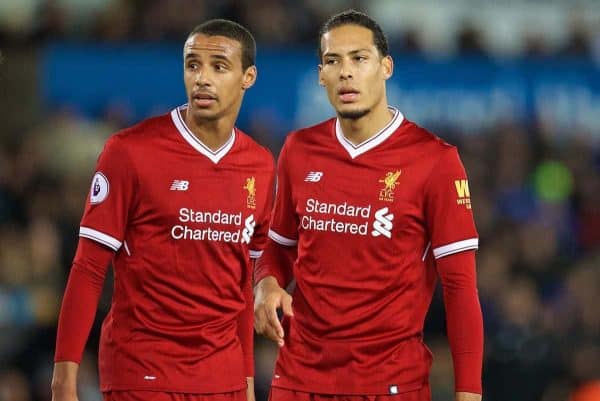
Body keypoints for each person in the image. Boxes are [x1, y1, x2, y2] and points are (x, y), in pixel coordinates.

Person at [254, 10, 484, 401]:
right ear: (321, 75)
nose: (346, 72)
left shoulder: (435, 161)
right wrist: (265, 284)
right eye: (333, 61)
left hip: (389, 385)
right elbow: (278, 249)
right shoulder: (298, 150)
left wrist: (469, 394)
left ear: (386, 66)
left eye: (359, 58)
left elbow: (460, 287)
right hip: (298, 381)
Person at [51, 19, 275, 401]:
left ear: (247, 76)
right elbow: (88, 268)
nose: (202, 78)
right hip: (143, 373)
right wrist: (63, 380)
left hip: (223, 380)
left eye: (218, 66)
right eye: (193, 65)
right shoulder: (130, 152)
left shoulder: (261, 166)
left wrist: (248, 381)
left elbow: (240, 286)